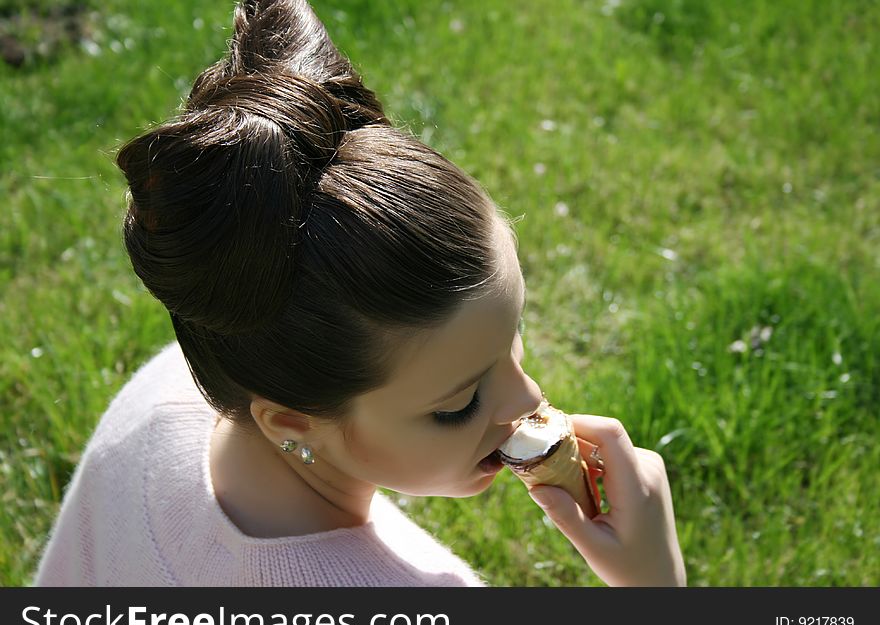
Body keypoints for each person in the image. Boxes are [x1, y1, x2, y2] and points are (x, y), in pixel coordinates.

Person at [33, 0, 685, 587]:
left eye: (511, 339)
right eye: (458, 405)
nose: (528, 399)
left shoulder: (160, 394)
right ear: (291, 424)